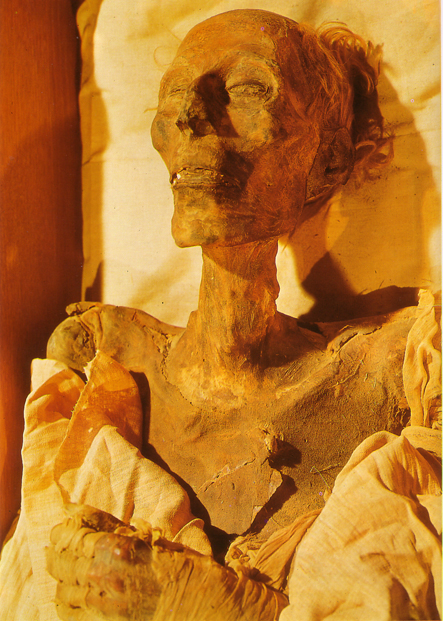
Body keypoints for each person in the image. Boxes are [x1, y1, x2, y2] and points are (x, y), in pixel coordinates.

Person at [1, 9, 441, 621]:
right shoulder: (101, 365)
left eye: (247, 89)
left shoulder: (406, 369)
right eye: (174, 94)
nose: (189, 115)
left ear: (329, 162)